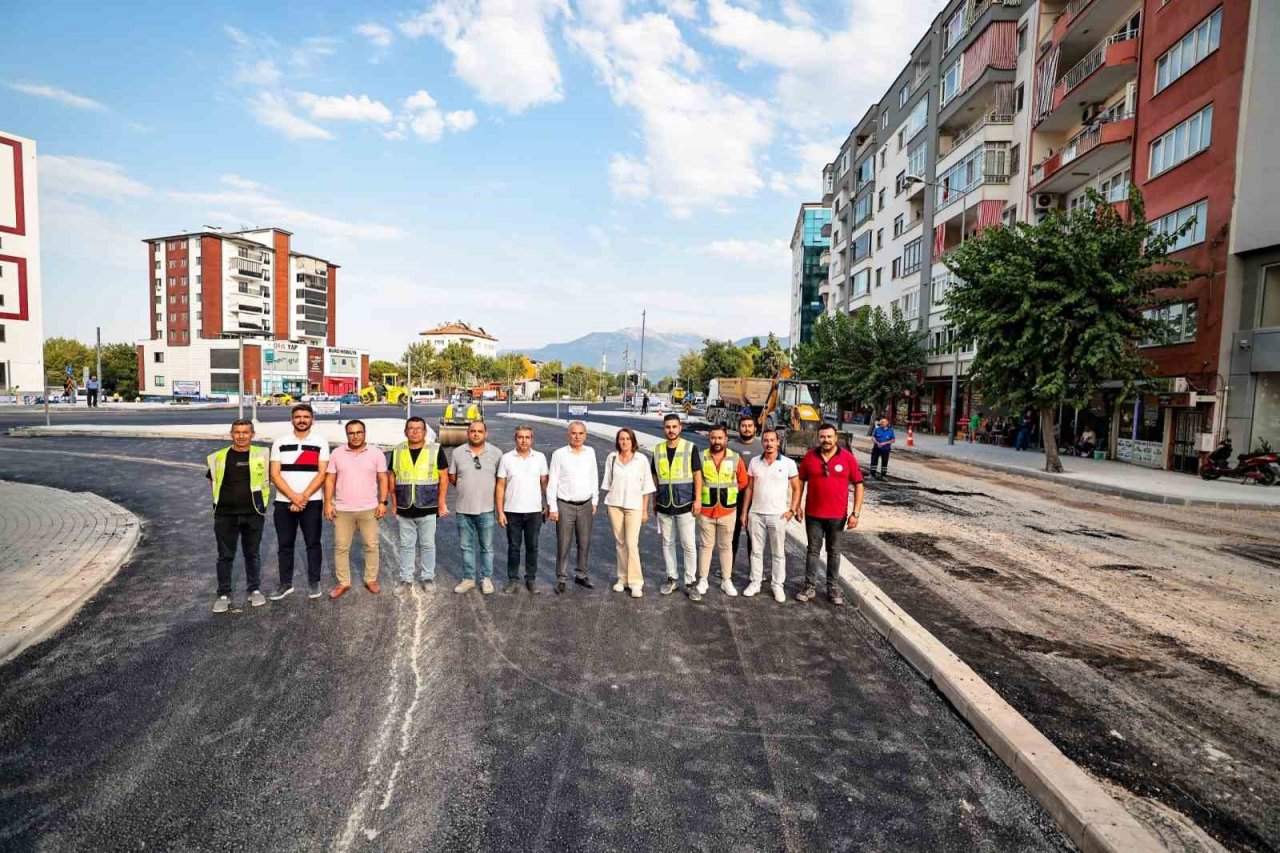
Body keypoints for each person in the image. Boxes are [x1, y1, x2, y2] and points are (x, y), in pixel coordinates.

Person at [796, 423, 865, 606]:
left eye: (829, 437)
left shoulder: (848, 458)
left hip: (837, 517)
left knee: (834, 552)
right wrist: (797, 506)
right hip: (813, 515)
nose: (825, 440)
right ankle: (809, 586)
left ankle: (832, 587)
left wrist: (855, 513)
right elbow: (800, 482)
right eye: (822, 437)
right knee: (812, 551)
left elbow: (859, 484)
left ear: (836, 438)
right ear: (818, 438)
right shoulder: (810, 457)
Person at [206, 419, 270, 613]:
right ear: (231, 434)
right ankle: (223, 594)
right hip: (225, 515)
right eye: (237, 432)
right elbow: (213, 481)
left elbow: (272, 477)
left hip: (253, 513)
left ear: (253, 434)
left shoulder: (262, 454)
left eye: (245, 432)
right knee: (225, 556)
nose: (241, 436)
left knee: (252, 554)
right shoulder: (219, 456)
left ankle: (254, 590)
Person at [268, 404, 329, 600]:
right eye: (298, 417)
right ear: (291, 419)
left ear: (312, 419)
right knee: (285, 545)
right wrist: (293, 496)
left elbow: (322, 474)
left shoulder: (321, 442)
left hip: (312, 502)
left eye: (306, 416)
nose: (301, 420)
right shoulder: (279, 442)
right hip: (283, 502)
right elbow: (274, 474)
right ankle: (285, 584)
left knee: (313, 543)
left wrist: (303, 497)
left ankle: (314, 582)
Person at [324, 419, 388, 599]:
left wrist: (383, 502)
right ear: (347, 435)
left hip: (369, 508)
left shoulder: (376, 453)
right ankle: (343, 582)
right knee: (341, 547)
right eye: (351, 433)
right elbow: (329, 480)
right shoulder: (337, 453)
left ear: (365, 433)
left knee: (371, 545)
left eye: (359, 432)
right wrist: (327, 503)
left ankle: (371, 579)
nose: (355, 436)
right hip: (343, 509)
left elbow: (383, 479)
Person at [387, 417, 449, 594]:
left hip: (428, 506)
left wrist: (441, 503)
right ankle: (405, 579)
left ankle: (427, 577)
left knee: (428, 544)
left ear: (425, 432)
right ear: (405, 432)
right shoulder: (398, 450)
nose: (414, 432)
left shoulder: (435, 450)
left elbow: (443, 478)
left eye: (418, 429)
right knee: (406, 545)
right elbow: (393, 477)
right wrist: (394, 503)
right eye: (411, 428)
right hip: (405, 507)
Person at [739, 428, 800, 603]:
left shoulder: (788, 463)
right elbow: (749, 488)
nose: (769, 444)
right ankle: (755, 583)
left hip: (778, 516)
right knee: (756, 552)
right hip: (756, 514)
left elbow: (796, 488)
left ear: (778, 442)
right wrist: (745, 512)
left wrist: (792, 510)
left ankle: (777, 585)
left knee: (778, 553)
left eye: (772, 440)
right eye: (765, 440)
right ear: (762, 442)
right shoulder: (754, 462)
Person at [444, 420, 503, 595]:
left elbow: (502, 479)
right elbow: (453, 477)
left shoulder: (496, 453)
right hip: (463, 509)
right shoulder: (457, 453)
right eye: (472, 431)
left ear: (486, 433)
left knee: (486, 547)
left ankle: (486, 578)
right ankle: (469, 578)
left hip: (486, 509)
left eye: (479, 431)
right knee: (466, 546)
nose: (476, 434)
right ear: (468, 433)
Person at [651, 413, 703, 601]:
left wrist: (698, 500)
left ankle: (690, 583)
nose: (671, 430)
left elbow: (698, 476)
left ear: (680, 428)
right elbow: (655, 477)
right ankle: (672, 578)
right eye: (667, 427)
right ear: (664, 429)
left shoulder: (690, 448)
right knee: (667, 543)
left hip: (685, 504)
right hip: (665, 504)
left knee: (688, 545)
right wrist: (654, 500)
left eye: (674, 426)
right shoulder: (657, 450)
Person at [601, 427, 655, 598]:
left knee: (632, 544)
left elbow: (646, 487)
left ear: (633, 441)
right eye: (621, 439)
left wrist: (645, 510)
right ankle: (622, 579)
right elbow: (608, 483)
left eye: (627, 439)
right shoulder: (612, 458)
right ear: (618, 441)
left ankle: (636, 582)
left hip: (634, 507)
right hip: (615, 505)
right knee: (620, 544)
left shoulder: (641, 459)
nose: (624, 442)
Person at [697, 425, 749, 596]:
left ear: (726, 439)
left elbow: (742, 482)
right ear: (708, 438)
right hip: (706, 510)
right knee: (706, 546)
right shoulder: (701, 457)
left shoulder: (735, 458)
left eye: (720, 438)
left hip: (727, 511)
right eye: (713, 438)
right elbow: (696, 481)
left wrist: (729, 495)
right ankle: (703, 579)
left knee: (726, 546)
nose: (716, 441)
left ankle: (727, 581)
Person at [547, 421, 599, 594]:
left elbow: (594, 477)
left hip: (585, 505)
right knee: (564, 543)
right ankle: (561, 578)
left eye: (581, 433)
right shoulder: (559, 454)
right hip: (564, 505)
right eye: (574, 433)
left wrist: (595, 501)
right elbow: (552, 482)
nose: (577, 437)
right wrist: (552, 507)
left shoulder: (590, 452)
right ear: (567, 435)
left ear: (585, 435)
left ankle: (581, 574)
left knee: (584, 542)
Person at [497, 425, 549, 594]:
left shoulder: (540, 458)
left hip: (534, 511)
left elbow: (544, 483)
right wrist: (500, 511)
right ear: (515, 439)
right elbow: (500, 485)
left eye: (527, 437)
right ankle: (512, 579)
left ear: (532, 439)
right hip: (512, 511)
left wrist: (548, 504)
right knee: (514, 547)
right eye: (520, 437)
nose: (524, 440)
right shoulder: (506, 458)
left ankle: (531, 579)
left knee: (532, 547)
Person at [727, 416, 761, 574]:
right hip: (734, 496)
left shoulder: (762, 446)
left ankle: (754, 570)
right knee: (732, 534)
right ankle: (728, 568)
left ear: (755, 428)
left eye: (749, 426)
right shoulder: (730, 447)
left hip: (756, 498)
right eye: (743, 426)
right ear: (739, 427)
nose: (746, 428)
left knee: (753, 536)